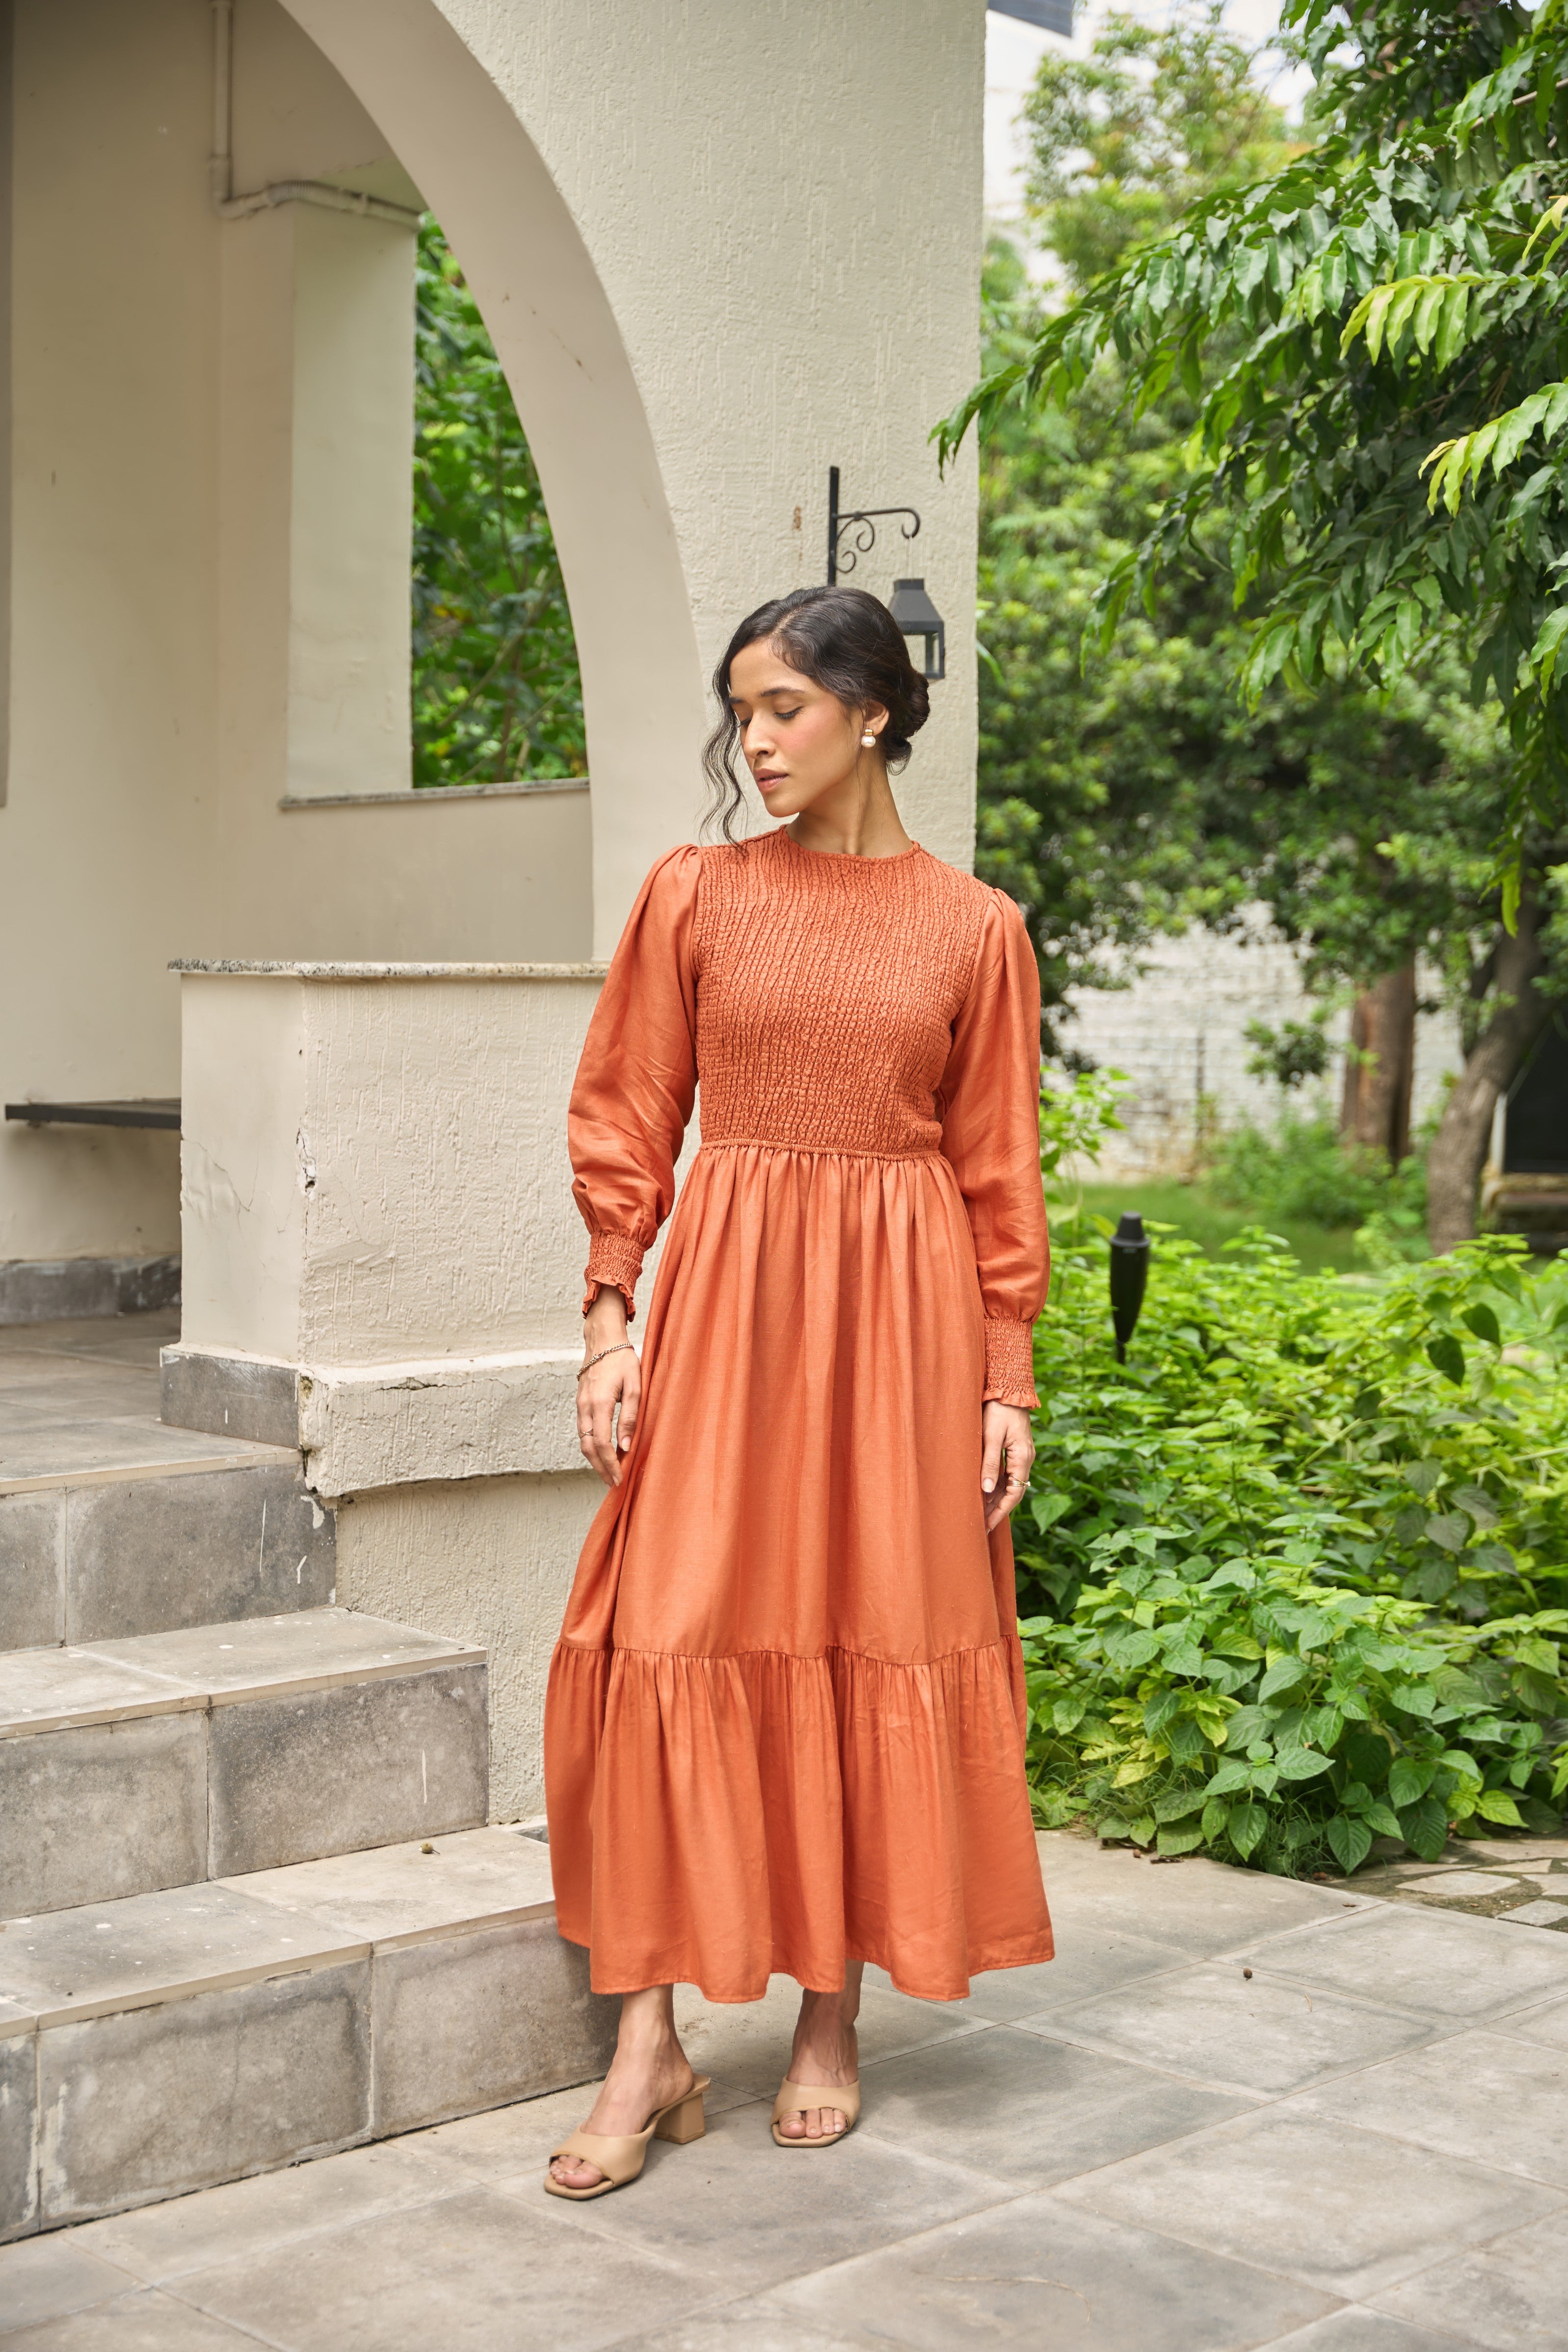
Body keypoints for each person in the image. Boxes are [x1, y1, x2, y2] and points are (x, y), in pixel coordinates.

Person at [542, 585, 1052, 2199]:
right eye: (742, 713)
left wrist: (1004, 1376)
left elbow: (997, 1175)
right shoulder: (694, 894)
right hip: (731, 1302)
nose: (753, 742)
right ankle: (652, 2041)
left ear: (873, 714)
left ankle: (832, 2016)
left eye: (784, 709)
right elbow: (625, 1106)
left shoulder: (974, 927)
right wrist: (611, 1319)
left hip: (900, 1317)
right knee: (666, 1628)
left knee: (867, 1627)